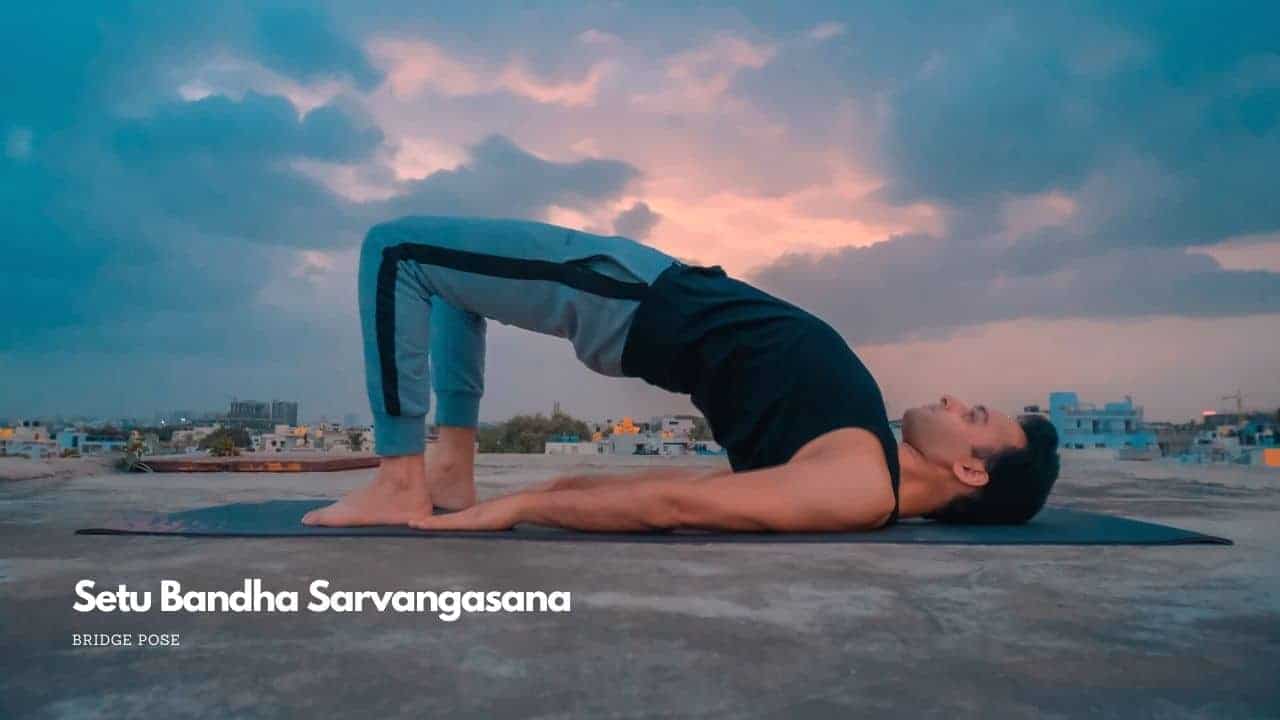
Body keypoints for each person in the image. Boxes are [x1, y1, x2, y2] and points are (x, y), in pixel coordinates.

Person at [302, 215, 1059, 533]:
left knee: (399, 253)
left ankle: (403, 475)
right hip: (639, 302)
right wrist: (553, 492)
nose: (958, 401)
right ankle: (448, 472)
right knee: (449, 279)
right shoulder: (860, 468)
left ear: (970, 469)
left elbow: (672, 502)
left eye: (976, 417)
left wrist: (523, 507)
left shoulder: (859, 486)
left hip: (631, 295)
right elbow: (696, 493)